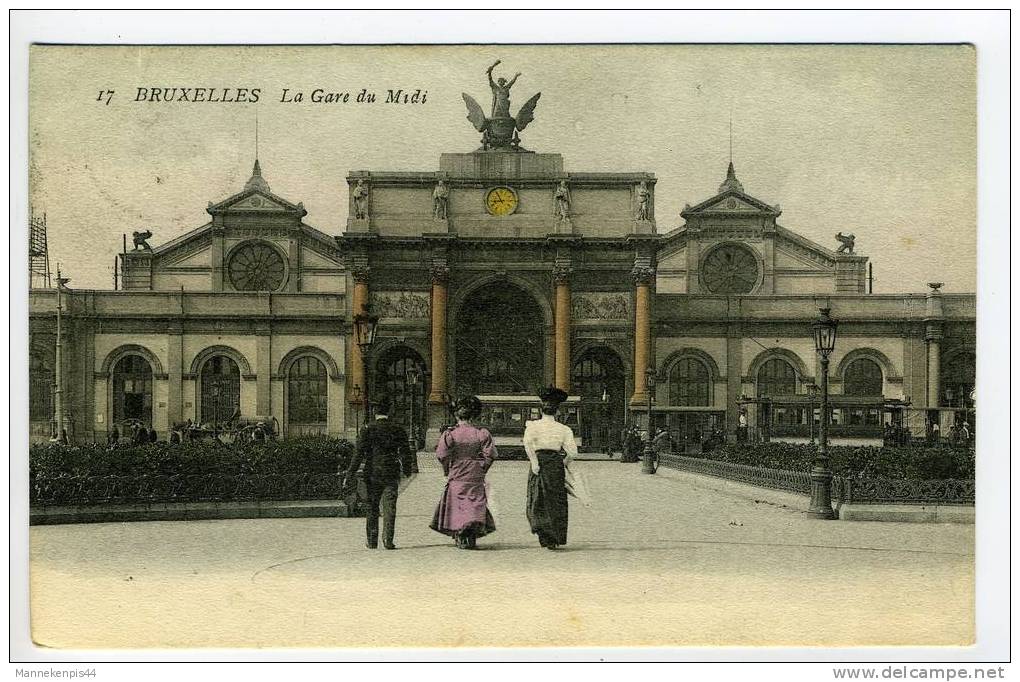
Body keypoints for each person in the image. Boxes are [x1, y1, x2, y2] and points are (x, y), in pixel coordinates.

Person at [343, 395, 414, 550]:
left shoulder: (367, 429)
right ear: (390, 410)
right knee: (390, 507)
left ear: (375, 410)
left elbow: (358, 454)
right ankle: (388, 540)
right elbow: (405, 452)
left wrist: (349, 474)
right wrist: (407, 470)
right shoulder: (397, 429)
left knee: (372, 506)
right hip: (391, 472)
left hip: (372, 472)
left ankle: (372, 540)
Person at [430, 395, 497, 549]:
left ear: (456, 415)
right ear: (474, 415)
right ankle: (471, 532)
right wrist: (482, 468)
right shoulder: (482, 433)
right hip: (475, 471)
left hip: (457, 470)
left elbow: (442, 455)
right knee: (474, 501)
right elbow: (491, 454)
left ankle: (460, 532)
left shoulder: (450, 434)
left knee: (457, 502)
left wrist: (447, 469)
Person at [523, 387, 578, 550]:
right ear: (557, 410)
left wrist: (534, 463)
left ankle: (543, 534)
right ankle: (554, 536)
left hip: (539, 463)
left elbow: (527, 444)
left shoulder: (532, 426)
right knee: (556, 501)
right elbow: (573, 452)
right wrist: (564, 463)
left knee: (537, 499)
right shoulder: (564, 429)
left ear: (541, 408)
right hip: (555, 464)